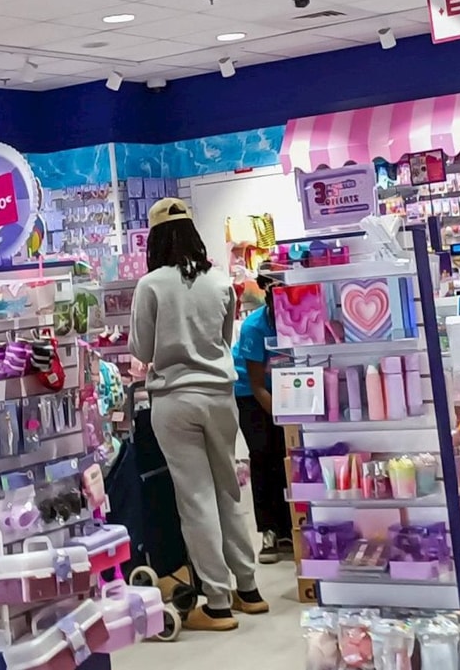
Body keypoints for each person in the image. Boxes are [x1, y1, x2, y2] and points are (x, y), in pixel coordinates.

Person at [129, 197, 267, 632]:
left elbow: (141, 350)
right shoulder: (221, 282)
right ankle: (249, 589)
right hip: (221, 396)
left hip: (174, 399)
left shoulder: (151, 285)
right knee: (228, 491)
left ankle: (217, 602)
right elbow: (225, 341)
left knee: (196, 499)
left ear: (154, 239)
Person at [232, 274, 292, 563]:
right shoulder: (254, 328)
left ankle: (289, 529)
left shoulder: (301, 316)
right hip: (250, 392)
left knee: (287, 456)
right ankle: (269, 530)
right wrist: (283, 419)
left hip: (286, 386)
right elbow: (257, 386)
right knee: (263, 453)